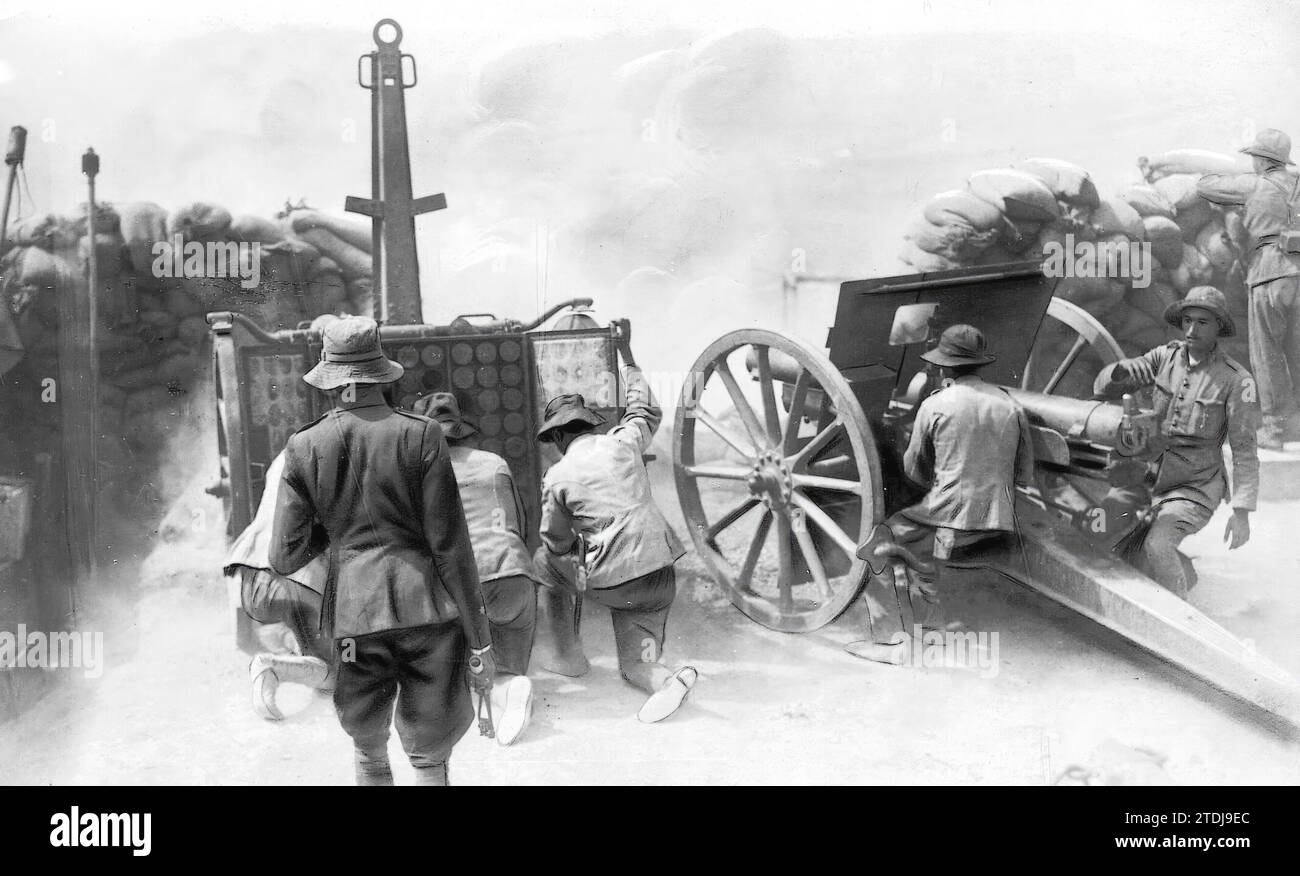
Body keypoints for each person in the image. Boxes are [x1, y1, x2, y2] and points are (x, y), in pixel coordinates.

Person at [270, 316, 494, 786]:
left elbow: (283, 558)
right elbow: (450, 547)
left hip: (354, 621)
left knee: (368, 743)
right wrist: (480, 643)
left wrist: (334, 532)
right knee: (430, 750)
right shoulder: (422, 434)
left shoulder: (304, 445)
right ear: (380, 372)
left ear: (331, 379)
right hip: (428, 612)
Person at [534, 334, 697, 723]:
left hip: (616, 584)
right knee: (636, 664)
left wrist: (579, 549)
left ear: (557, 436)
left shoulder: (558, 475)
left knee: (544, 561)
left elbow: (555, 542)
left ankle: (567, 658)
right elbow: (644, 409)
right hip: (659, 575)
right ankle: (666, 680)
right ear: (590, 424)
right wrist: (626, 353)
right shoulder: (623, 442)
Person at [848, 323, 1034, 663]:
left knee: (881, 541)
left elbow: (914, 473)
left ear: (944, 367)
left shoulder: (936, 405)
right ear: (980, 364)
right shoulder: (1010, 405)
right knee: (920, 545)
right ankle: (935, 628)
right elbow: (1023, 472)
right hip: (1004, 517)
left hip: (951, 515)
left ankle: (896, 644)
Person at [1093, 286, 1259, 597]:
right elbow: (1127, 372)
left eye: (1203, 322)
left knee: (1158, 544)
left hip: (1195, 486)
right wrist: (1119, 373)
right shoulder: (1163, 357)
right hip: (1148, 477)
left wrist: (1242, 512)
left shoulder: (1237, 380)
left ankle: (1180, 619)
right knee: (1100, 526)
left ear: (1219, 328)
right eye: (1187, 320)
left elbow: (1245, 451)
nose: (1192, 330)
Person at [412, 392, 537, 746]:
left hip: (461, 587)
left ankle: (494, 689)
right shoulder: (495, 462)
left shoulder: (421, 472)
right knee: (506, 658)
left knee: (452, 668)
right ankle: (513, 683)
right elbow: (521, 527)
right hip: (514, 577)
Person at [1196, 128, 1300, 449]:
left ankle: (1275, 428)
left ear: (1262, 159)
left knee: (1267, 352)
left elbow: (1204, 186)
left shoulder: (1253, 184)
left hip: (1270, 273)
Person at [224, 448, 333, 721]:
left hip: (251, 581)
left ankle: (296, 654)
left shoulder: (290, 452)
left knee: (296, 633)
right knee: (341, 675)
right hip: (295, 582)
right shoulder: (347, 459)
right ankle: (272, 668)